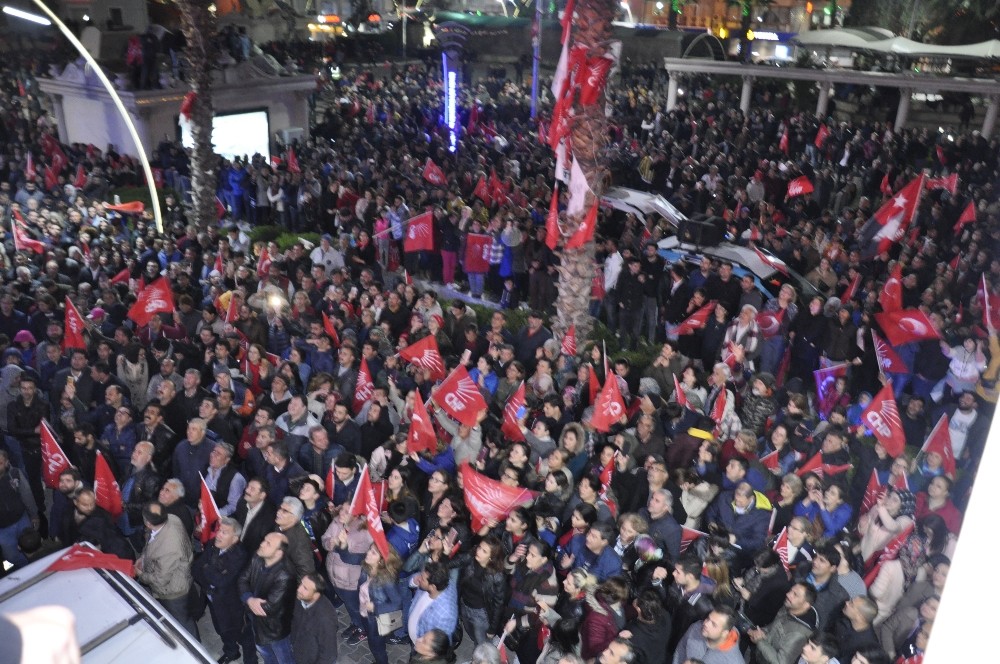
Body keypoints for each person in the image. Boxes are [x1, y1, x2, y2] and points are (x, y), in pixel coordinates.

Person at [192, 516, 254, 664]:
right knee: (222, 630)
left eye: (224, 532)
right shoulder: (213, 544)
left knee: (243, 636)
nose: (218, 534)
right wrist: (211, 571)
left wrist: (206, 568)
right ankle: (232, 653)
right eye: (219, 530)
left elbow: (221, 581)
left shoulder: (240, 555)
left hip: (233, 606)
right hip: (214, 599)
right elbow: (195, 569)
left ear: (234, 539)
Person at [136, 502, 198, 637]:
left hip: (173, 592)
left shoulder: (167, 548)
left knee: (183, 623)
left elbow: (160, 580)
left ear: (147, 523)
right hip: (175, 577)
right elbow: (150, 540)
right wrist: (143, 557)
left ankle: (195, 649)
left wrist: (141, 574)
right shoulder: (172, 518)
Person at [239, 532, 296, 664]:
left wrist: (249, 601)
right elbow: (242, 579)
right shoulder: (258, 555)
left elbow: (269, 607)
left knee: (284, 659)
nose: (262, 544)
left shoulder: (286, 575)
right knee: (267, 655)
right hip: (255, 621)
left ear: (278, 553)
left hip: (274, 630)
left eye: (268, 543)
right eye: (264, 540)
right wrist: (249, 599)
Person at [746, 582, 819, 664]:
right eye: (791, 590)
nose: (788, 594)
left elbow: (781, 662)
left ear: (806, 605)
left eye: (795, 594)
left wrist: (760, 642)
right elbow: (773, 626)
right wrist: (762, 632)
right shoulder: (789, 607)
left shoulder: (799, 634)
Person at [360, 543, 406, 664]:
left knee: (376, 648)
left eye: (373, 552)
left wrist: (375, 607)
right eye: (370, 549)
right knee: (373, 640)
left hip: (376, 620)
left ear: (381, 561)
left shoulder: (386, 580)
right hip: (366, 614)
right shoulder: (366, 567)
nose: (368, 553)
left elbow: (397, 603)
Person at [0, 449, 37, 569]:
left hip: (22, 519)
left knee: (29, 545)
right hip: (3, 529)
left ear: (6, 462)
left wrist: (34, 515)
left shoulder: (15, 473)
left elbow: (27, 494)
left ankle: (33, 566)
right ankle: (20, 568)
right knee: (10, 555)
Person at [290, 572, 339, 664]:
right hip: (299, 651)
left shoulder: (325, 618)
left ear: (316, 594)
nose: (299, 589)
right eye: (301, 584)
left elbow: (329, 655)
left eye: (305, 588)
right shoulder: (301, 598)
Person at [408, 561, 459, 646]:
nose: (419, 578)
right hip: (414, 640)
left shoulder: (445, 615)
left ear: (432, 587)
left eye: (422, 579)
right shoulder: (440, 580)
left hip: (422, 647)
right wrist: (414, 580)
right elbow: (414, 579)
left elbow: (440, 644)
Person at [671, 605, 744, 664]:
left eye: (714, 624)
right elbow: (681, 649)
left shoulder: (734, 661)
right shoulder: (696, 627)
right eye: (708, 618)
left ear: (724, 633)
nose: (705, 624)